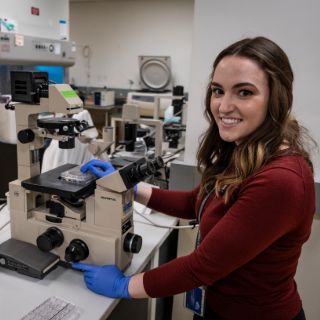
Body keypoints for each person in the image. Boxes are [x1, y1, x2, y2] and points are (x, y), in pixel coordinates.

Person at [72, 37, 316, 320]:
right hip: (217, 307)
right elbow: (194, 202)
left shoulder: (280, 180)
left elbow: (202, 266)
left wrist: (123, 286)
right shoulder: (245, 150)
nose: (224, 106)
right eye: (218, 90)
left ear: (276, 98)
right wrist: (130, 186)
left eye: (245, 92)